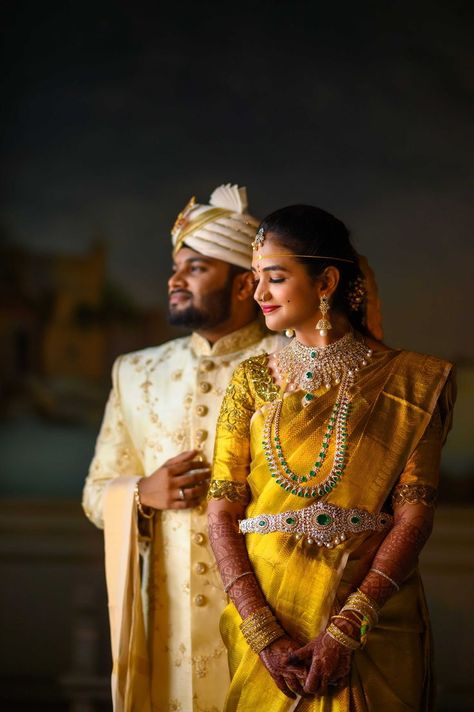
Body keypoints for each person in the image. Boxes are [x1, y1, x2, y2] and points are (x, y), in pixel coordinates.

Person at [208, 204, 455, 711]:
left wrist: (348, 627)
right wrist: (263, 632)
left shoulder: (413, 382)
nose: (258, 294)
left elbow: (414, 514)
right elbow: (222, 509)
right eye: (256, 279)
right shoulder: (251, 380)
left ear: (326, 282)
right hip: (268, 615)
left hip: (375, 624)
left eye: (274, 278)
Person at [82, 184, 285, 712]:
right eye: (176, 267)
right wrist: (140, 493)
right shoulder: (135, 371)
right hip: (165, 628)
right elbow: (94, 493)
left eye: (196, 268)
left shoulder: (297, 366)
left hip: (275, 621)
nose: (174, 279)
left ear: (246, 284)